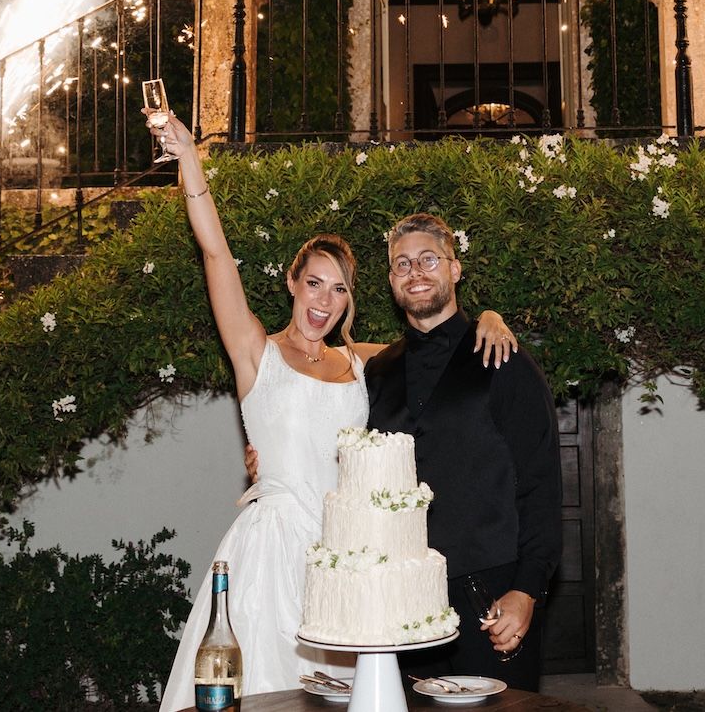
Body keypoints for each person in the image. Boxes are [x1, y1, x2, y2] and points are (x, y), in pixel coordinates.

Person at [154, 118, 519, 712]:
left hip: (344, 558)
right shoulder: (256, 353)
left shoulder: (362, 363)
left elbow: (439, 345)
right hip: (270, 552)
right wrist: (190, 161)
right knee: (267, 691)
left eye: (340, 290)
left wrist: (489, 317)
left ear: (351, 299)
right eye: (315, 284)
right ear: (293, 283)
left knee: (344, 700)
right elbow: (214, 251)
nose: (324, 301)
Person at [365, 212, 563, 691]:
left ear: (454, 269)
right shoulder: (378, 372)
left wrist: (528, 589)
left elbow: (541, 480)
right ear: (392, 280)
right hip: (404, 600)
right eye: (402, 264)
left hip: (491, 597)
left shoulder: (502, 358)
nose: (416, 272)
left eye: (429, 259)